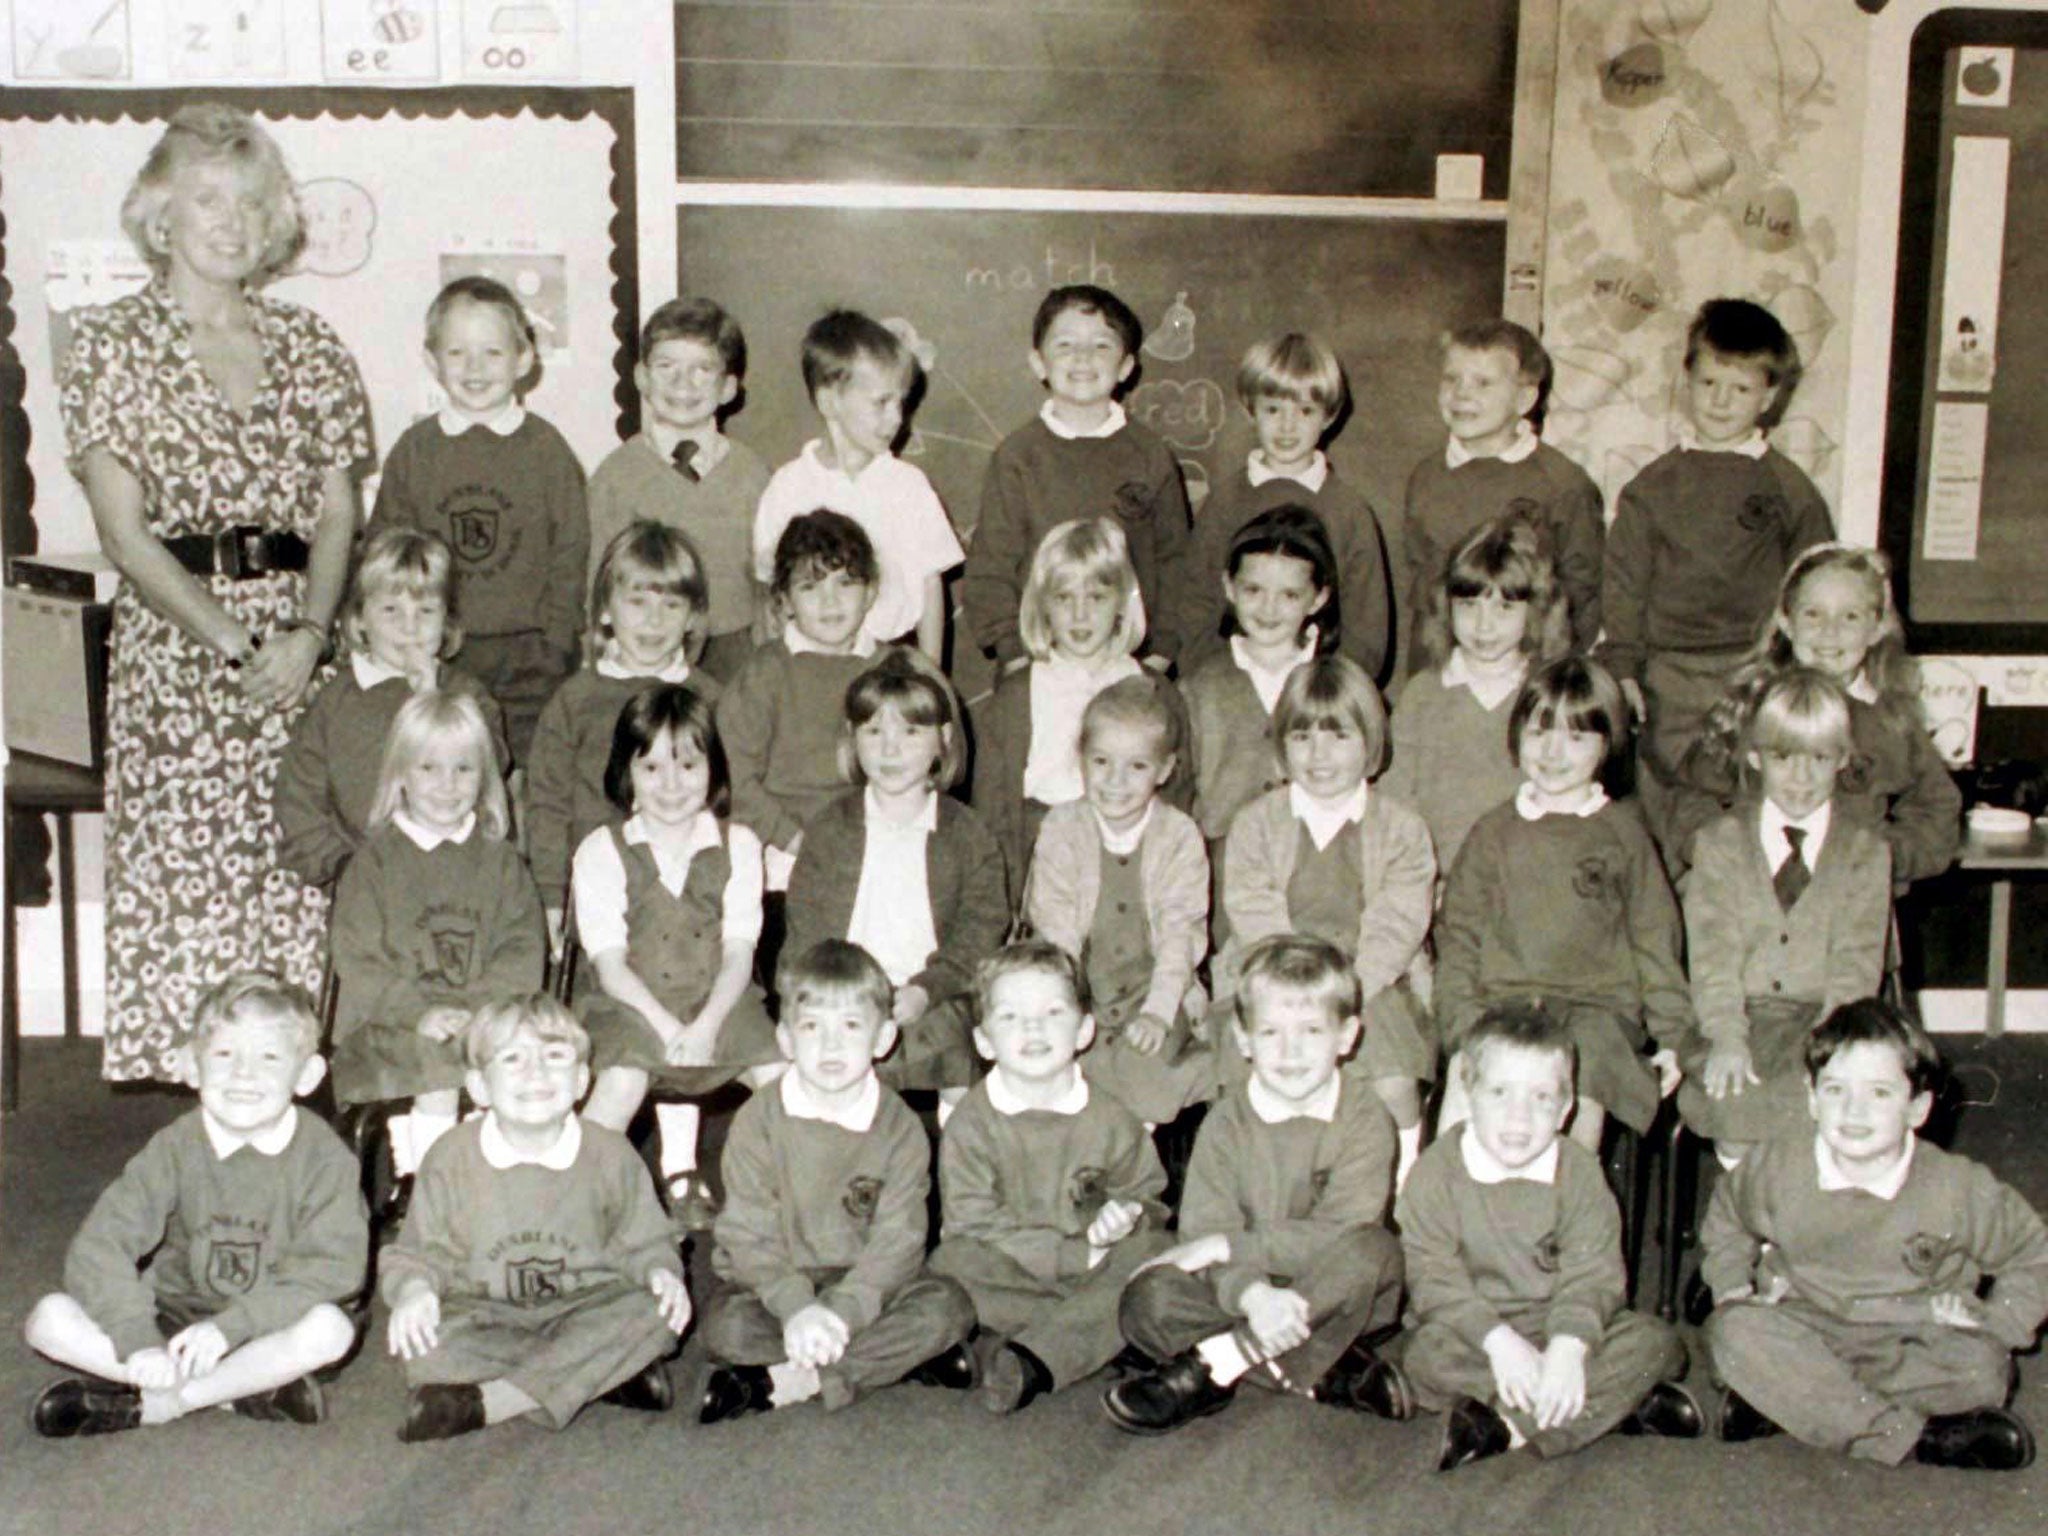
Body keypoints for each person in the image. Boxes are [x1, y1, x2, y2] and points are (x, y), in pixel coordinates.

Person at [59, 103, 371, 1083]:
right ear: (160, 214)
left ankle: (291, 1107)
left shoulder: (312, 345)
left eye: (249, 200)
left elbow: (335, 517)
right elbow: (123, 535)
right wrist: (238, 647)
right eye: (205, 198)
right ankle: (212, 1128)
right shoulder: (108, 343)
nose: (229, 221)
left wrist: (309, 636)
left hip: (297, 651)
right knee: (192, 902)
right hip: (180, 654)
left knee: (293, 883)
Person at [1701, 999, 2047, 1471]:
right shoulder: (1777, 1166)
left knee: (1985, 1371)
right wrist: (1731, 1285)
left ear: (1917, 1109)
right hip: (1808, 1321)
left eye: (1880, 1093)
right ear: (1811, 1098)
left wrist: (1996, 1320)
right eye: (1835, 1089)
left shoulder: (1955, 1186)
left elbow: (2034, 1252)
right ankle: (1918, 1439)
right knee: (1731, 1333)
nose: (1853, 1110)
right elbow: (1727, 1214)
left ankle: (1798, 1405)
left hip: (1912, 1335)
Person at [25, 973, 367, 1437]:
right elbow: (99, 1245)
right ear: (191, 1065)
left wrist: (233, 1327)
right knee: (47, 1319)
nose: (243, 1074)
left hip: (268, 1324)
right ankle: (237, 1389)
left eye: (269, 1057)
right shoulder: (174, 1147)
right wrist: (138, 1340)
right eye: (224, 1054)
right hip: (173, 1325)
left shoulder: (327, 1160)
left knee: (330, 1330)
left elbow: (333, 1270)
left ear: (306, 1076)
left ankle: (163, 1402)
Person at [1103, 936, 1408, 1434]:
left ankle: (1223, 1360)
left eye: (1311, 1031)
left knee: (1375, 1251)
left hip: (1336, 1293)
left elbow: (1341, 1232)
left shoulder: (1366, 1117)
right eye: (1270, 1033)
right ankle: (1320, 1370)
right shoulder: (1224, 1124)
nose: (1290, 1052)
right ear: (1244, 1040)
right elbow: (1204, 1227)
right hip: (1246, 1292)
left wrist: (1227, 1246)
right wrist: (1251, 1296)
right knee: (1146, 1298)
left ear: (1347, 1036)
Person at [1395, 1002, 1701, 1471]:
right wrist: (1499, 1342)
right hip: (1474, 1331)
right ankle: (1599, 1407)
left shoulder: (1578, 1170)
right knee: (1423, 1357)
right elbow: (1432, 1278)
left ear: (1565, 1109)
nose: (1519, 1118)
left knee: (1656, 1342)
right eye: (1500, 1092)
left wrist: (1567, 1348)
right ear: (1469, 1091)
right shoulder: (1435, 1172)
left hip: (1561, 1322)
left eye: (1541, 1098)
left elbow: (1594, 1274)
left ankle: (1512, 1427)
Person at [381, 995, 689, 1442]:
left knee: (657, 1315)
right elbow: (417, 1251)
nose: (536, 1072)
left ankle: (490, 1402)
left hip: (584, 1304)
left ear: (582, 1080)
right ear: (480, 1086)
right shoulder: (450, 1156)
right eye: (512, 1058)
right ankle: (600, 1377)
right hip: (486, 1312)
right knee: (422, 1344)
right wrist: (414, 1290)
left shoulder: (610, 1154)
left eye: (555, 1056)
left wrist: (661, 1271)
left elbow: (645, 1240)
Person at [698, 940, 978, 1421]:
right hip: (778, 1283)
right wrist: (795, 1307)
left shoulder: (901, 1127)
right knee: (725, 1328)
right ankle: (890, 1361)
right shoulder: (758, 1120)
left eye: (851, 1026)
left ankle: (791, 1380)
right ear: (785, 1039)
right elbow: (747, 1235)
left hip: (868, 1284)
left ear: (884, 1037)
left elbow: (900, 1241)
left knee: (948, 1307)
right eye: (812, 1027)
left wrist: (844, 1310)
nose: (831, 1046)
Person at [1433, 656, 1690, 1153]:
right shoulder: (1493, 833)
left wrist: (1675, 1035)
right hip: (1501, 1003)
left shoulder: (1624, 835)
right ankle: (1447, 1212)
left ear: (1607, 745)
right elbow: (1459, 937)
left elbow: (1655, 942)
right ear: (1517, 736)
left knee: (1583, 1069)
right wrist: (1463, 1026)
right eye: (1539, 732)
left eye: (1576, 737)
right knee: (1478, 1075)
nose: (1554, 751)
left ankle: (1568, 1208)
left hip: (1595, 1010)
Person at [1600, 299, 1834, 815]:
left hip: (1756, 672)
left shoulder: (1790, 489)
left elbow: (1815, 583)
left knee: (1749, 806)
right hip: (1667, 675)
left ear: (1770, 395)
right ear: (1687, 379)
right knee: (1666, 806)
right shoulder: (1652, 488)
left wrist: (1799, 669)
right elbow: (1624, 585)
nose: (1721, 402)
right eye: (1709, 384)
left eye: (1742, 389)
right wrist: (1624, 669)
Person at [1210, 656, 1435, 1185]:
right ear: (1282, 745)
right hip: (1271, 973)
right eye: (1302, 737)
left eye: (1339, 737)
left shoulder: (1401, 828)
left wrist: (1349, 988)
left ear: (1371, 744)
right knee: (1246, 1075)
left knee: (1393, 1079)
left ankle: (1399, 1192)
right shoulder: (1256, 822)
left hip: (1369, 982)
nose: (1319, 755)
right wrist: (1296, 988)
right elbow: (1251, 908)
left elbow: (1398, 922)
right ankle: (1261, 1191)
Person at [929, 942, 1171, 1413]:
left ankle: (1031, 1355)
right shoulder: (970, 1124)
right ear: (982, 1041)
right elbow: (973, 1227)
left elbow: (1151, 1201)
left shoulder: (1113, 1117)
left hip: (1099, 1269)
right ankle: (1096, 1339)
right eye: (1011, 1017)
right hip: (1015, 1274)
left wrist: (1127, 1216)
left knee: (1162, 1252)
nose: (1033, 1027)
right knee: (951, 1263)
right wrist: (1073, 1256)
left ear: (1084, 1029)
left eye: (1052, 1012)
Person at [569, 684, 780, 1216]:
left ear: (714, 771)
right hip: (633, 1006)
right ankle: (571, 1203)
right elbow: (610, 967)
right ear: (627, 774)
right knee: (621, 1081)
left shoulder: (742, 844)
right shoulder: (601, 850)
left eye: (688, 765)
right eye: (652, 768)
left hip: (722, 1001)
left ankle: (798, 1205)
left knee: (784, 1082)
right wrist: (669, 1032)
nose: (671, 785)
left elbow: (739, 953)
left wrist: (706, 1026)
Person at [327, 690, 546, 1196]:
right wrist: (419, 1013)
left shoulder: (500, 861)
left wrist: (475, 1010)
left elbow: (522, 951)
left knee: (527, 1061)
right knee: (439, 1070)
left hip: (479, 1020)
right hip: (388, 1026)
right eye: (429, 769)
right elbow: (359, 960)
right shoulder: (374, 863)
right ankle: (433, 1194)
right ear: (400, 773)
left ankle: (496, 1189)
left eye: (464, 770)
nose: (447, 787)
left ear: (485, 777)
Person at [370, 273, 589, 764]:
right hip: (440, 652)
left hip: (530, 654)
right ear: (431, 360)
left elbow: (571, 549)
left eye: (492, 353)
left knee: (530, 774)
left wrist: (556, 640)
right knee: (447, 768)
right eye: (456, 353)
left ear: (524, 359)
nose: (474, 368)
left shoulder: (546, 450)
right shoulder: (416, 451)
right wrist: (406, 641)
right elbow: (386, 554)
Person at [1677, 670, 1890, 1159]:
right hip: (1734, 1014)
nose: (1801, 777)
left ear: (1842, 759)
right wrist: (1728, 1038)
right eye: (1783, 757)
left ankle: (1798, 1226)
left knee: (1822, 1105)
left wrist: (1827, 1049)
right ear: (1755, 756)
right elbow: (1713, 958)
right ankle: (1755, 1220)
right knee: (1734, 1102)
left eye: (1819, 758)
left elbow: (1855, 969)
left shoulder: (1865, 852)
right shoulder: (1719, 843)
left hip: (1825, 1020)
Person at [1668, 543, 1960, 884]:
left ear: (1878, 627)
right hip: (1750, 900)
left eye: (1850, 616)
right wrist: (1722, 849)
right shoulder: (1750, 708)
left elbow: (1936, 807)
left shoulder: (1891, 721)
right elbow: (1690, 797)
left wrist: (1885, 857)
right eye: (1813, 614)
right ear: (1786, 623)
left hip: (1855, 904)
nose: (1829, 630)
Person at [786, 651, 1009, 1095]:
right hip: (844, 995)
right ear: (851, 738)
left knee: (956, 1055)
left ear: (943, 739)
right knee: (834, 1058)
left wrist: (928, 989)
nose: (891, 749)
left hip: (938, 992)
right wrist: (817, 1000)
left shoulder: (966, 832)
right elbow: (804, 932)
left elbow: (981, 928)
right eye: (873, 732)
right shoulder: (830, 829)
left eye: (911, 731)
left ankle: (960, 1156)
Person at [963, 285, 1190, 666]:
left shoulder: (1150, 455)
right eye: (1065, 345)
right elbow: (991, 566)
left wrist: (1160, 653)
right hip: (1038, 663)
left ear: (1126, 366)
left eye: (1101, 345)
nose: (1083, 358)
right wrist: (1015, 656)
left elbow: (1176, 562)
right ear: (1038, 363)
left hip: (1131, 664)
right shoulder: (1017, 457)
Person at [1025, 677, 1214, 1127]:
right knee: (1055, 1075)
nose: (1115, 781)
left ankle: (1133, 1175)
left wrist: (1158, 1013)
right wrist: (1066, 1009)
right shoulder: (1062, 827)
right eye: (1102, 762)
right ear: (1082, 760)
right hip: (1079, 991)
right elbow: (1056, 934)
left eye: (1137, 767)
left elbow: (1178, 937)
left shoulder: (1179, 835)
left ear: (1165, 770)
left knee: (1146, 1074)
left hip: (1154, 993)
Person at [276, 528, 507, 890]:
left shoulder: (467, 696)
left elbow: (491, 771)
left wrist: (431, 698)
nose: (409, 627)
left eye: (426, 611)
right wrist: (343, 869)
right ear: (360, 620)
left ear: (447, 622)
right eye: (390, 610)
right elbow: (299, 800)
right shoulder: (335, 703)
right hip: (364, 882)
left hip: (457, 877)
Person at [1164, 332, 1391, 681]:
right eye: (1273, 409)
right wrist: (1218, 681)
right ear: (1250, 410)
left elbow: (1367, 628)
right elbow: (1197, 604)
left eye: (1305, 411)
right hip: (1231, 688)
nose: (1288, 425)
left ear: (1328, 416)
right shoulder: (1226, 501)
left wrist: (1329, 692)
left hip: (1318, 699)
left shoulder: (1349, 511)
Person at [529, 521, 719, 929]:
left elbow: (728, 806)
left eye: (671, 606)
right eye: (637, 602)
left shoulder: (712, 699)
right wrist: (551, 896)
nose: (654, 622)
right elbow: (548, 805)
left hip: (689, 900)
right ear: (604, 610)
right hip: (599, 897)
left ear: (692, 619)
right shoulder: (574, 701)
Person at [971, 516, 1175, 881]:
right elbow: (992, 814)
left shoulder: (1154, 691)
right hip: (1041, 855)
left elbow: (1178, 797)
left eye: (1096, 597)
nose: (1080, 615)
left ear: (1122, 604)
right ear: (1043, 605)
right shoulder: (1018, 694)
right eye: (1064, 598)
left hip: (1130, 857)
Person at [750, 309, 962, 660]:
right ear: (830, 401)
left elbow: (929, 587)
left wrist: (931, 673)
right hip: (810, 662)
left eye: (901, 402)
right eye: (881, 403)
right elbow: (767, 590)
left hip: (891, 663)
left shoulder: (909, 486)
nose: (897, 418)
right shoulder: (788, 487)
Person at [1401, 320, 1604, 666]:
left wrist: (1552, 667)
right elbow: (1422, 584)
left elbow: (1582, 592)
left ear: (1525, 398)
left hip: (1529, 671)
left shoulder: (1563, 483)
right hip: (1441, 670)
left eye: (1482, 383)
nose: (1462, 393)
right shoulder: (1426, 478)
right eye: (1452, 379)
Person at [587, 297, 767, 683]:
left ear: (728, 388)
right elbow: (597, 587)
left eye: (702, 369)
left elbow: (768, 577)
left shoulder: (752, 473)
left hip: (736, 650)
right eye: (666, 367)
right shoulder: (616, 476)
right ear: (641, 377)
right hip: (647, 647)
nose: (683, 384)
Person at [1382, 516, 1570, 883]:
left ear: (1535, 610)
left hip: (1527, 877)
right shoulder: (1423, 694)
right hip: (1436, 879)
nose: (1484, 626)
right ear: (1446, 606)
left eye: (1504, 608)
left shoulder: (1548, 694)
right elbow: (1395, 802)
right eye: (1468, 605)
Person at [718, 511, 886, 894]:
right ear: (785, 601)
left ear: (871, 592)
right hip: (783, 851)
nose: (830, 601)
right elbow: (731, 776)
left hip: (874, 845)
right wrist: (793, 839)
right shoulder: (764, 674)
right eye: (810, 587)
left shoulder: (895, 670)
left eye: (845, 583)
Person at [1182, 505, 1343, 865]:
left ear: (1318, 598)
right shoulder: (1199, 688)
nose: (1269, 609)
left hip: (1317, 863)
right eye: (1254, 589)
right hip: (1222, 867)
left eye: (1289, 595)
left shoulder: (1342, 687)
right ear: (1229, 587)